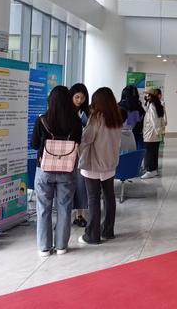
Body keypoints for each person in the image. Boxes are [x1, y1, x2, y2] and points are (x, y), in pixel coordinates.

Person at [31, 86, 83, 257]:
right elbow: (78, 142)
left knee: (43, 208)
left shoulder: (42, 120)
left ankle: (44, 248)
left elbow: (34, 144)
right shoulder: (76, 122)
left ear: (50, 101)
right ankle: (61, 246)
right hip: (67, 170)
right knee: (64, 208)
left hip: (44, 169)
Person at [78, 87, 123, 246]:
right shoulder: (116, 117)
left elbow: (87, 139)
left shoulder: (96, 118)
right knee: (109, 197)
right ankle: (108, 231)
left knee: (93, 199)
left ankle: (92, 235)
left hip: (94, 164)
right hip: (109, 164)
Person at [69, 83, 90, 229]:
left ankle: (80, 214)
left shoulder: (86, 113)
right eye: (77, 97)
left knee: (81, 184)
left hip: (81, 153)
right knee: (67, 185)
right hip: (67, 153)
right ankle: (66, 214)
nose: (79, 100)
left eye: (82, 98)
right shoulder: (65, 112)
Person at [141, 89, 165, 179]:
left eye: (148, 95)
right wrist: (159, 132)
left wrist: (157, 131)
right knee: (154, 152)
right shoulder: (158, 105)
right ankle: (154, 170)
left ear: (152, 96)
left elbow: (154, 120)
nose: (147, 97)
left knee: (149, 152)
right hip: (156, 134)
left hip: (151, 134)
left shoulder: (152, 106)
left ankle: (150, 170)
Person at [119, 85, 145, 150]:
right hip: (132, 138)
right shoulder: (139, 108)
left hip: (119, 138)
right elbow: (136, 126)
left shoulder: (120, 107)